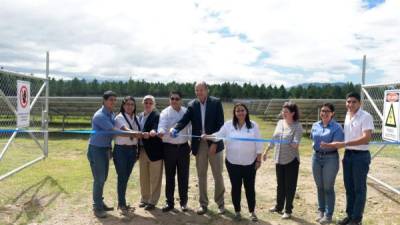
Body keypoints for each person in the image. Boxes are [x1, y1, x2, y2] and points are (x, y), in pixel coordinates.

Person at [171, 81, 225, 215]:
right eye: (196, 90)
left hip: (214, 143)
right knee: (201, 175)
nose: (199, 92)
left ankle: (220, 203)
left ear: (207, 90)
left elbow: (221, 125)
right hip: (199, 145)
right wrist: (175, 128)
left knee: (217, 175)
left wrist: (215, 143)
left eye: (201, 90)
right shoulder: (192, 105)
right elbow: (184, 120)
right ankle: (203, 204)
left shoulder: (216, 103)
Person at [203, 103, 263, 222]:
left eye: (242, 110)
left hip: (249, 164)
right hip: (232, 163)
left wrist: (258, 159)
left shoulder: (253, 126)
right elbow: (218, 135)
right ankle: (237, 212)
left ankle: (252, 212)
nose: (240, 113)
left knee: (249, 188)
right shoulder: (228, 125)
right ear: (235, 113)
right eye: (238, 111)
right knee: (236, 188)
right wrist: (208, 136)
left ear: (246, 112)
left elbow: (259, 144)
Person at [321, 92, 374, 225]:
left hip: (360, 157)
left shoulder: (365, 116)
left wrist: (344, 144)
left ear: (359, 103)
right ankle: (350, 216)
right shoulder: (347, 115)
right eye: (348, 102)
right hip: (348, 155)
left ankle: (357, 219)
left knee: (359, 189)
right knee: (349, 188)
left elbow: (366, 138)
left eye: (353, 102)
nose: (350, 104)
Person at [263, 102, 303, 219]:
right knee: (280, 185)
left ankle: (288, 210)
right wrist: (266, 151)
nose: (283, 113)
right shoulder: (280, 123)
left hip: (291, 160)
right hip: (278, 159)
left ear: (293, 113)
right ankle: (278, 206)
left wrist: (294, 143)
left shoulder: (297, 126)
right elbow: (274, 138)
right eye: (283, 111)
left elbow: (296, 142)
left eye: (286, 112)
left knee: (290, 186)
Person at [157, 91, 191, 212]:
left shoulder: (186, 111)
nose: (174, 101)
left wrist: (191, 143)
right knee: (169, 176)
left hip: (183, 148)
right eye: (172, 98)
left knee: (183, 176)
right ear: (169, 99)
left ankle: (183, 202)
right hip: (169, 148)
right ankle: (169, 202)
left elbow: (191, 128)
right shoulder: (165, 112)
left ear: (181, 100)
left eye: (177, 99)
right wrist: (161, 131)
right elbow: (162, 125)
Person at [311, 103, 344, 224]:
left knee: (328, 187)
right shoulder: (315, 125)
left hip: (330, 158)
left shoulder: (337, 127)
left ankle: (328, 215)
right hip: (316, 157)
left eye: (327, 111)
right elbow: (312, 139)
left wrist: (328, 145)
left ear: (332, 113)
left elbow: (339, 144)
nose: (324, 113)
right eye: (322, 111)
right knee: (319, 186)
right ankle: (321, 210)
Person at [87, 90, 117, 218]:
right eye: (111, 100)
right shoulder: (99, 115)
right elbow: (113, 130)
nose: (113, 102)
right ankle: (97, 207)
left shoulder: (112, 114)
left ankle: (100, 202)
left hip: (105, 149)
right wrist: (134, 133)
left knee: (102, 178)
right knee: (99, 179)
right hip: (96, 150)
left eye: (115, 100)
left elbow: (109, 136)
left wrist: (109, 148)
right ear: (104, 101)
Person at [113, 96, 142, 215]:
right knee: (122, 177)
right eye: (127, 104)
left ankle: (122, 202)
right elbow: (125, 130)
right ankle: (121, 203)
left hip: (132, 150)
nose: (130, 106)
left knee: (126, 177)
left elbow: (138, 133)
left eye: (132, 104)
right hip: (121, 150)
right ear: (123, 106)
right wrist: (137, 134)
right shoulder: (119, 117)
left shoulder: (136, 118)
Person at [138, 95, 164, 210]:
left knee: (155, 177)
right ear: (143, 103)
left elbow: (156, 126)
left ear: (154, 104)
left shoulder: (157, 115)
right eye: (146, 102)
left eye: (150, 103)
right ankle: (144, 198)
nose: (148, 104)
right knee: (143, 176)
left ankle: (153, 201)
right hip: (142, 150)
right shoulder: (139, 116)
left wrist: (153, 131)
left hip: (155, 151)